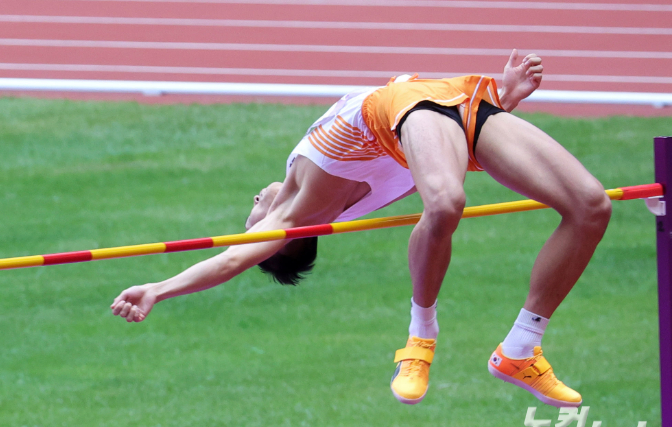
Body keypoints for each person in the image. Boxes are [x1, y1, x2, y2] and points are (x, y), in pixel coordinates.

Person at [111, 50, 611, 408]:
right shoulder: (293, 212)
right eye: (250, 222)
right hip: (409, 110)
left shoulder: (338, 201)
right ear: (278, 240)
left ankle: (521, 348)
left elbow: (438, 148)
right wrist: (159, 288)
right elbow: (230, 258)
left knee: (591, 207)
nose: (252, 206)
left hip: (455, 103)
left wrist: (504, 98)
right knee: (446, 202)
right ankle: (420, 340)